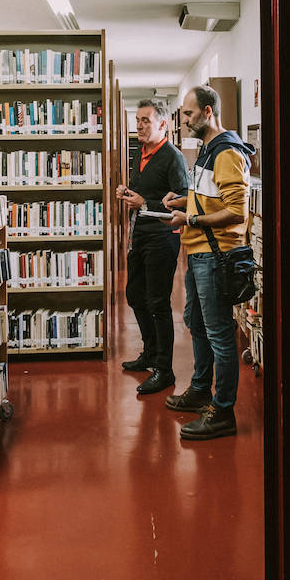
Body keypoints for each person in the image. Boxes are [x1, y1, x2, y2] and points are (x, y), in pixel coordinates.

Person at [162, 85, 255, 439]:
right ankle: (201, 388)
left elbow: (236, 211)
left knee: (219, 334)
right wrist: (181, 201)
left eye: (188, 114)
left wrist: (191, 220)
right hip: (198, 251)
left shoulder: (227, 153)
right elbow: (208, 198)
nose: (183, 120)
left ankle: (223, 411)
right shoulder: (206, 152)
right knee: (195, 322)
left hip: (216, 256)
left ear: (207, 111)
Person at [115, 99, 189, 395]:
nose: (140, 126)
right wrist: (129, 193)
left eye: (146, 120)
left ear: (163, 124)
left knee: (158, 302)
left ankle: (164, 369)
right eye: (138, 121)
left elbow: (182, 198)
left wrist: (145, 203)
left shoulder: (173, 157)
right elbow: (144, 191)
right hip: (140, 235)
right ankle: (150, 351)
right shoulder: (141, 153)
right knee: (134, 294)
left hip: (162, 237)